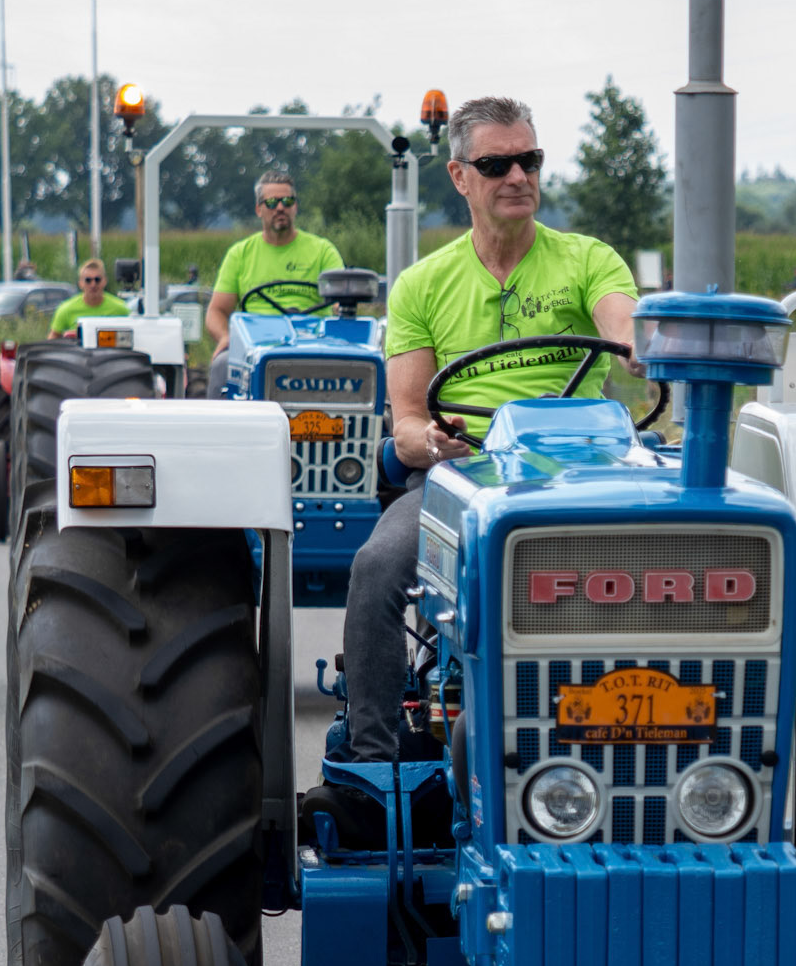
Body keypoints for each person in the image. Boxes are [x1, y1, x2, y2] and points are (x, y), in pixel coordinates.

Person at [340, 93, 639, 764]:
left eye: (529, 160)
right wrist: (430, 442)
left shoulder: (588, 260)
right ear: (459, 176)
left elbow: (624, 326)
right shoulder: (422, 284)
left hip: (578, 476)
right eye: (497, 164)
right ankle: (373, 760)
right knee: (377, 567)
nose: (518, 177)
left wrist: (642, 344)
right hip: (462, 476)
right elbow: (408, 420)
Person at [203, 172, 343, 396]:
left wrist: (341, 307)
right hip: (255, 343)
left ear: (295, 207)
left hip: (313, 341)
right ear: (259, 209)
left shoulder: (322, 251)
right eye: (271, 202)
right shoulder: (241, 254)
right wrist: (225, 337)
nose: (280, 208)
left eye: (287, 201)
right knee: (222, 364)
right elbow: (216, 311)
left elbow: (340, 300)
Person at [49, 259, 129, 338]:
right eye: (88, 280)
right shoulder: (66, 309)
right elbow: (52, 339)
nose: (93, 284)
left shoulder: (121, 309)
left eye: (97, 280)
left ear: (104, 281)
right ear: (80, 283)